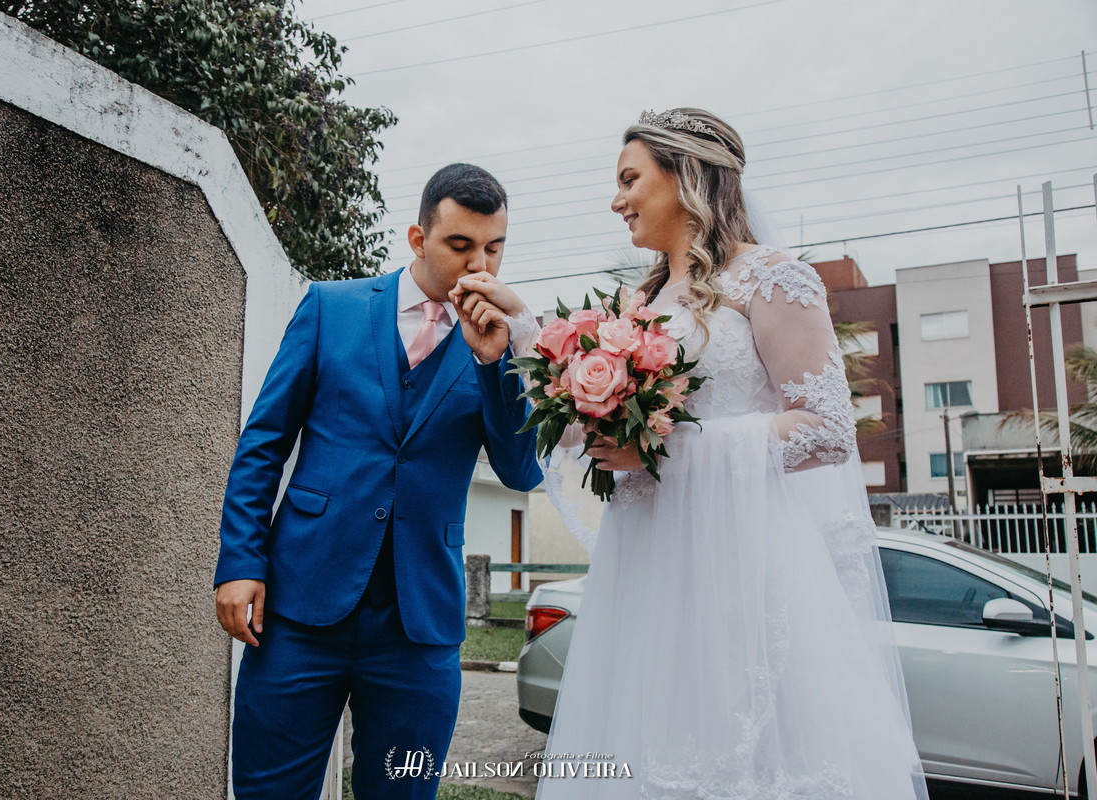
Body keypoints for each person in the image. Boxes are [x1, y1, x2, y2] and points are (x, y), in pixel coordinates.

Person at [462, 109, 929, 799]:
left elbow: (828, 428)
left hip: (740, 565)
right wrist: (523, 330)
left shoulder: (772, 279)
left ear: (685, 175)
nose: (616, 200)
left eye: (629, 180)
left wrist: (668, 450)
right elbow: (582, 432)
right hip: (646, 570)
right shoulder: (637, 301)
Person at [213, 163, 542, 800]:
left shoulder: (503, 344)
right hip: (300, 606)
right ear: (418, 238)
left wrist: (492, 364)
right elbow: (263, 445)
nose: (480, 266)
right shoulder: (330, 307)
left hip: (418, 627)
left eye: (494, 248)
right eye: (460, 245)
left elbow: (521, 470)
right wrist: (239, 563)